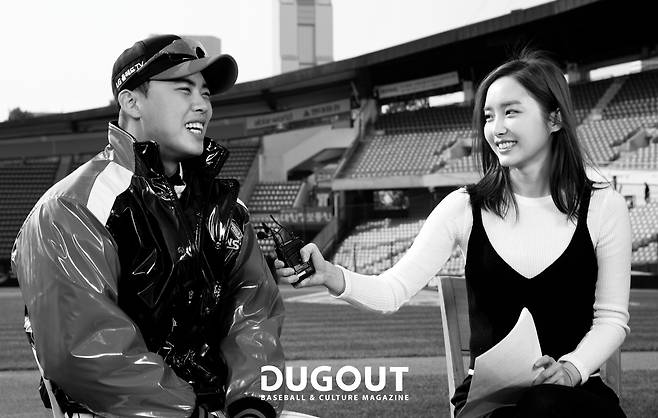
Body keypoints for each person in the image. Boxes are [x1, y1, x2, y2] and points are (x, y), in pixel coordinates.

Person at [276, 50, 630, 417]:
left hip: (577, 396)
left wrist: (570, 370)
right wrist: (330, 275)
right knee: (536, 406)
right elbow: (392, 290)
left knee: (546, 402)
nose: (496, 128)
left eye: (511, 112)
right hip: (489, 402)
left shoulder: (604, 207)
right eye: (488, 116)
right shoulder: (463, 207)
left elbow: (611, 320)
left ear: (554, 118)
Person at [12, 34, 285, 418]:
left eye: (206, 93)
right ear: (132, 102)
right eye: (184, 89)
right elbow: (84, 349)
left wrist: (250, 403)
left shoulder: (228, 211)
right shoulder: (73, 207)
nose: (202, 105)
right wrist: (188, 411)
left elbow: (255, 313)